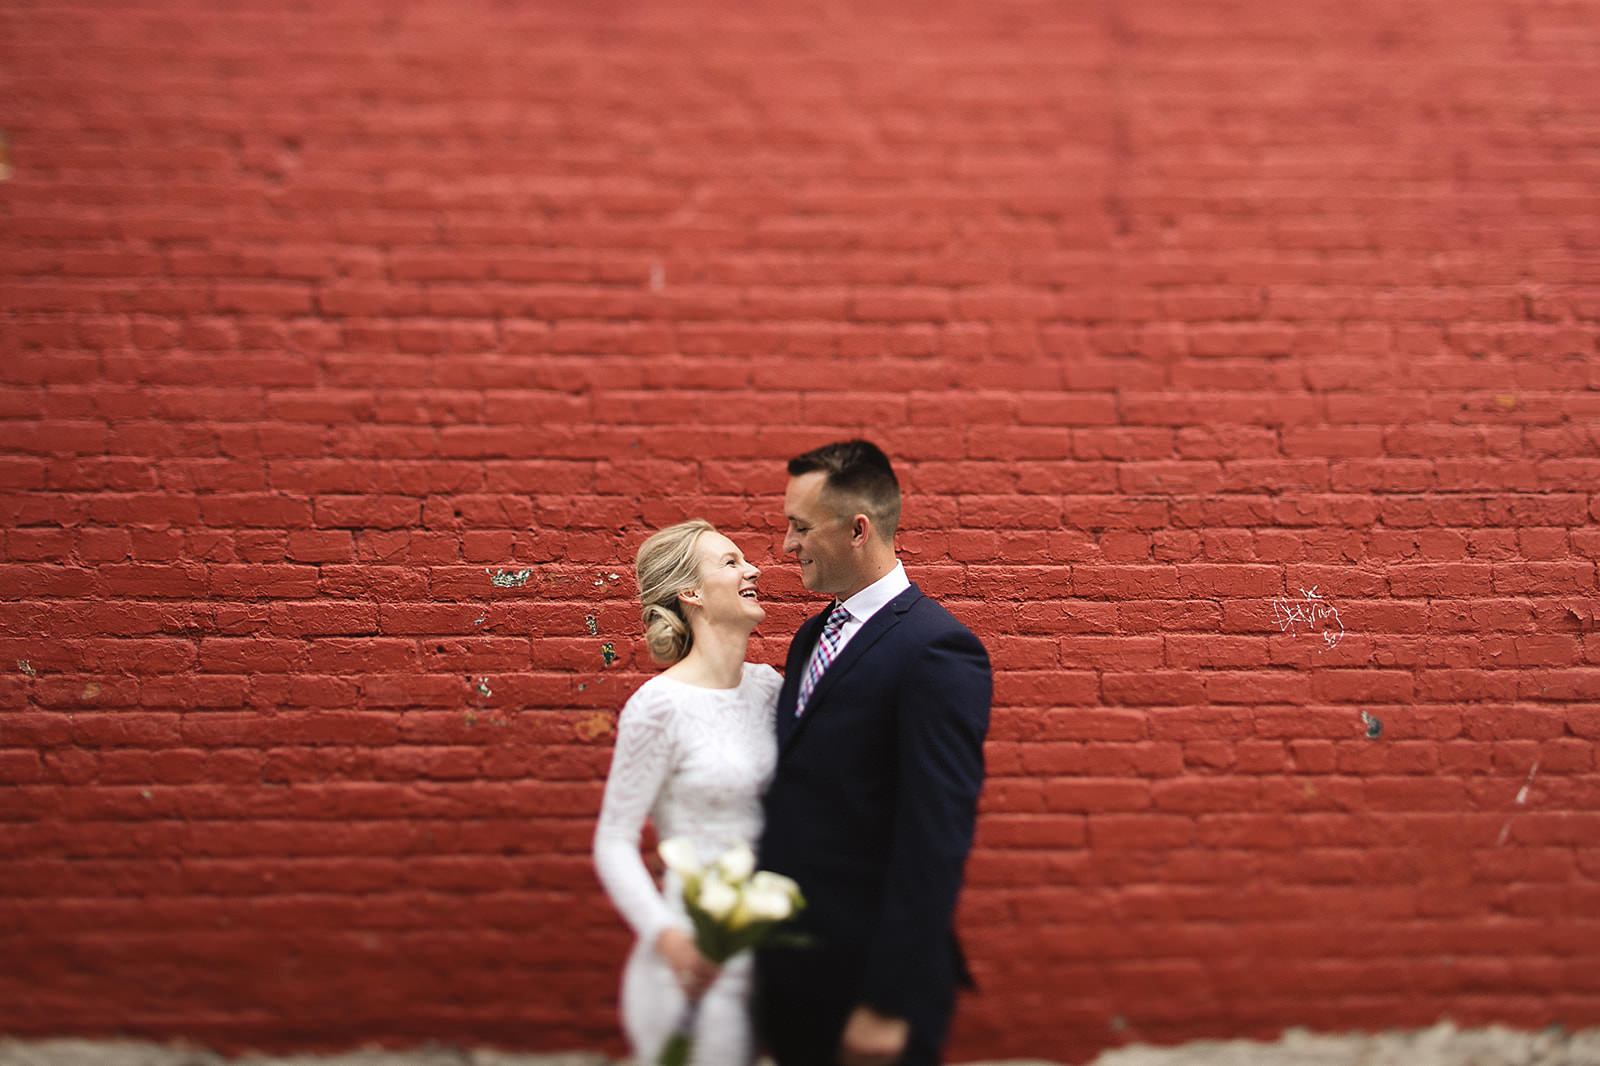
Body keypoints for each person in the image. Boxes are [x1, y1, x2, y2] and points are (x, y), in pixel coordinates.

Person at [756, 440, 992, 1066]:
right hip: (797, 977)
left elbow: (934, 836)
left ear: (858, 529)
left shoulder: (937, 650)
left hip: (869, 984)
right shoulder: (811, 636)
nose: (786, 545)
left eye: (800, 527)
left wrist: (888, 1002)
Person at [593, 519, 782, 1066]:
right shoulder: (659, 707)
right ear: (692, 593)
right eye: (731, 562)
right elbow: (614, 841)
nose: (753, 570)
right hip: (695, 958)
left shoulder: (770, 687)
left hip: (769, 951)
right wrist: (669, 940)